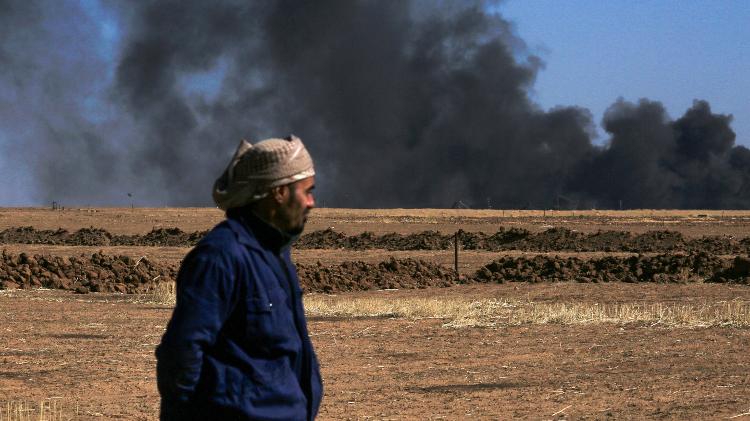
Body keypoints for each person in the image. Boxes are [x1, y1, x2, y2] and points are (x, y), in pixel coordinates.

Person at [156, 135, 323, 420]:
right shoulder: (221, 256)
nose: (311, 202)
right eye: (306, 191)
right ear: (278, 192)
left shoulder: (276, 254)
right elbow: (182, 353)